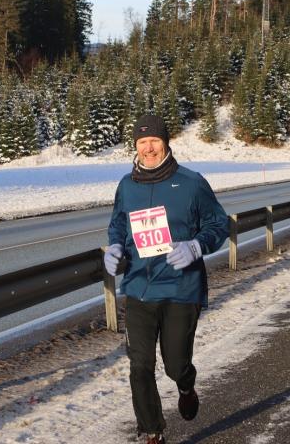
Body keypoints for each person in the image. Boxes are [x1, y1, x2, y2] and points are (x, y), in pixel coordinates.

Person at [104, 114, 230, 444]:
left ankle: (185, 385)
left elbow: (219, 225)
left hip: (180, 288)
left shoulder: (191, 183)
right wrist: (115, 245)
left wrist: (195, 246)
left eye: (154, 141)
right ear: (135, 146)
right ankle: (152, 431)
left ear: (166, 142)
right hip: (138, 289)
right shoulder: (126, 186)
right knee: (139, 366)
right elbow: (118, 223)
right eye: (142, 142)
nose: (148, 148)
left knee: (175, 365)